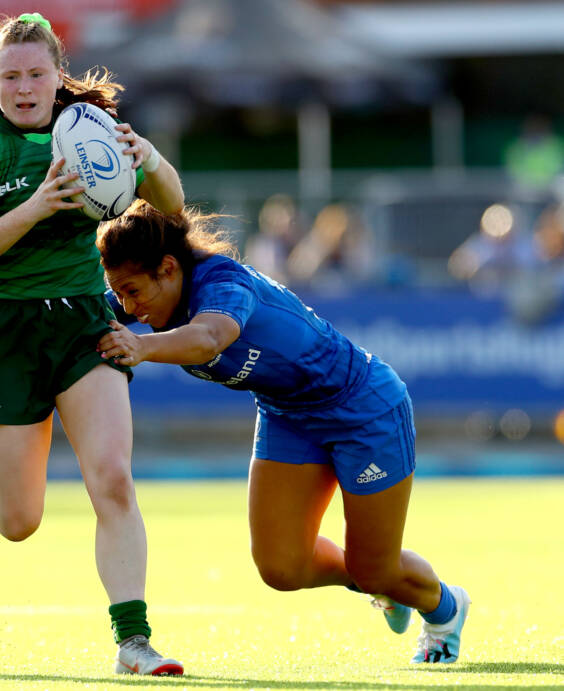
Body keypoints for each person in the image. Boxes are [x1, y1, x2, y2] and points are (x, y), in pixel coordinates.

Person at [93, 199, 470, 665]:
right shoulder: (147, 294)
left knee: (376, 569)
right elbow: (79, 315)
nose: (127, 307)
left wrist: (140, 345)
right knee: (281, 568)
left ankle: (446, 610)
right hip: (287, 414)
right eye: (121, 295)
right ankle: (376, 583)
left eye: (132, 292)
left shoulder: (224, 282)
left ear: (168, 268)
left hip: (363, 408)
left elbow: (210, 337)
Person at [0, 13, 186, 676]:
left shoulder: (87, 131)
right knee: (19, 520)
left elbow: (171, 205)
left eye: (36, 74)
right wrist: (34, 207)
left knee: (111, 475)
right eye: (11, 76)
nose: (24, 87)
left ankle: (134, 641)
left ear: (56, 77)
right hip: (8, 329)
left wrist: (151, 160)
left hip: (83, 320)